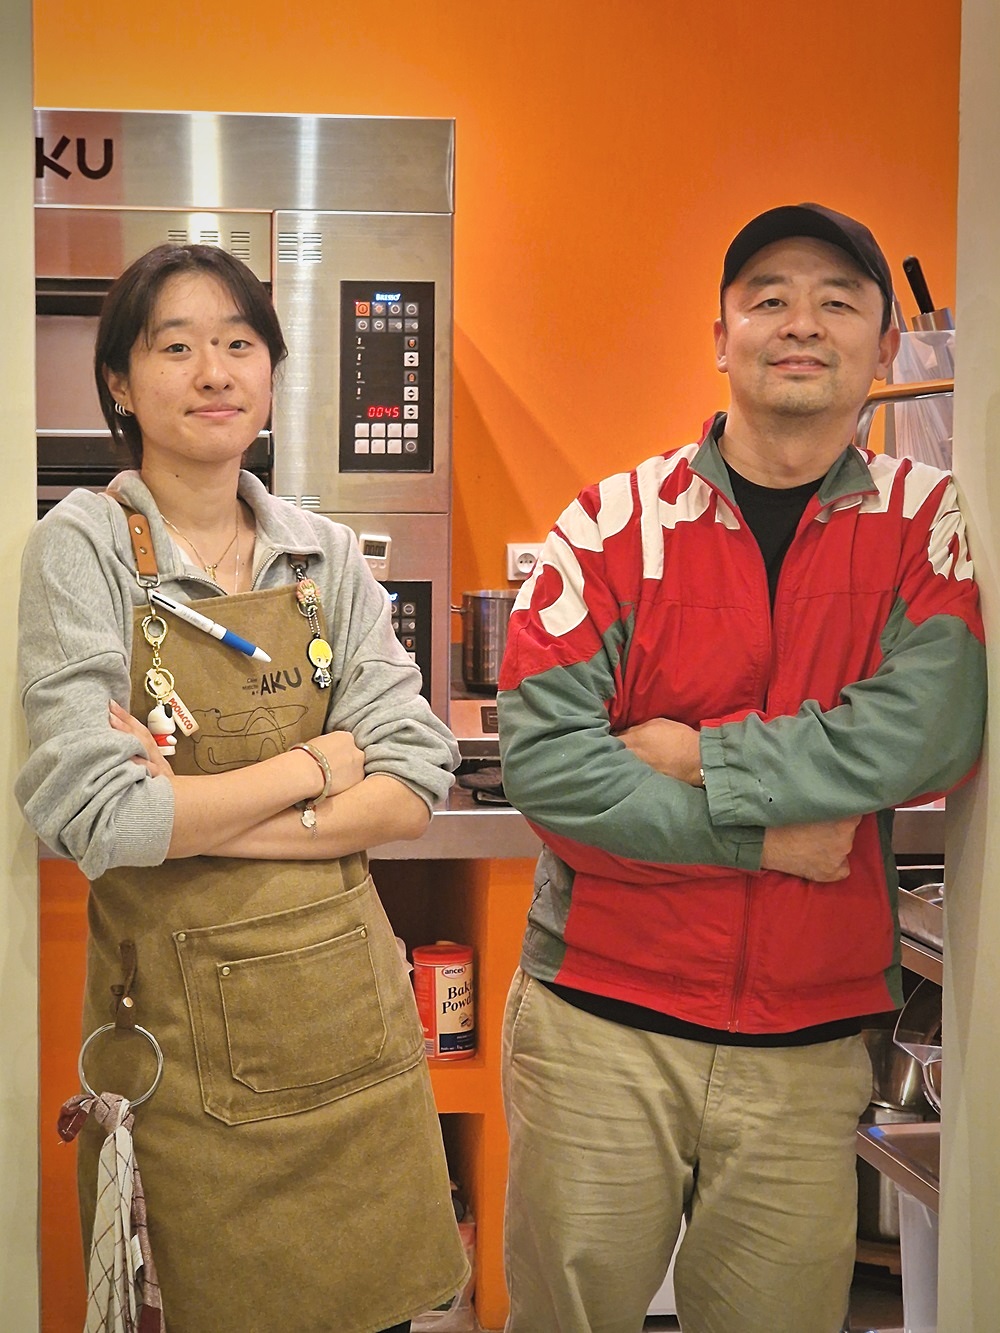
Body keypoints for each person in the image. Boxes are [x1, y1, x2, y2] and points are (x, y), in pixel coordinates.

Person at [497, 203, 986, 1333]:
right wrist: (764, 835)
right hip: (598, 1029)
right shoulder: (610, 525)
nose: (799, 323)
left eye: (836, 301)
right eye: (767, 297)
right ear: (720, 336)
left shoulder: (926, 524)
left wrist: (695, 755)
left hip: (806, 1048)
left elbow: (930, 729)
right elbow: (552, 771)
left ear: (884, 345)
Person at [17, 243, 469, 1333]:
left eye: (238, 343)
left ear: (269, 371)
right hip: (179, 1063)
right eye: (175, 346)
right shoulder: (82, 550)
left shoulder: (322, 554)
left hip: (353, 1049)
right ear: (120, 383)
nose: (213, 370)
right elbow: (103, 816)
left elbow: (414, 775)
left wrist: (197, 818)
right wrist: (318, 763)